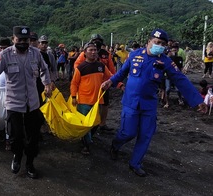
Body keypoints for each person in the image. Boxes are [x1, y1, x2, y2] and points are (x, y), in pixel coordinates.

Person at [101, 29, 208, 177]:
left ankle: (135, 163)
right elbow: (121, 73)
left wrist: (198, 100)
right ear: (148, 42)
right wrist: (110, 81)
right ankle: (115, 145)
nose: (159, 45)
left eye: (163, 44)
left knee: (145, 135)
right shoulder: (134, 55)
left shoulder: (165, 61)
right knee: (128, 132)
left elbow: (180, 80)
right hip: (131, 102)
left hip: (149, 105)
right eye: (156, 42)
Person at [0, 26, 52, 179]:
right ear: (13, 39)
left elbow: (44, 69)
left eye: (26, 40)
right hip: (14, 103)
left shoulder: (36, 53)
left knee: (33, 136)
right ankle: (17, 156)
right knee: (15, 136)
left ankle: (29, 163)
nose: (23, 42)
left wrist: (47, 84)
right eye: (19, 40)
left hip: (33, 103)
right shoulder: (5, 55)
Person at [71, 42, 113, 155]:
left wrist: (110, 83)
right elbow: (74, 83)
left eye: (95, 50)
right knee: (86, 125)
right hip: (84, 101)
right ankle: (86, 145)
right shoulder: (80, 68)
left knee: (95, 123)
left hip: (98, 100)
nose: (93, 52)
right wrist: (74, 97)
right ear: (85, 52)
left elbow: (109, 77)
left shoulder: (101, 66)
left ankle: (87, 139)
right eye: (90, 50)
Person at [74, 34, 116, 132]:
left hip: (104, 84)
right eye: (94, 40)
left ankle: (102, 123)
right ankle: (89, 124)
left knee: (105, 104)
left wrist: (113, 81)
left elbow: (112, 69)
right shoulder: (84, 54)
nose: (97, 42)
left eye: (98, 40)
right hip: (89, 83)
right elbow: (76, 65)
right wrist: (83, 74)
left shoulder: (106, 54)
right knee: (89, 104)